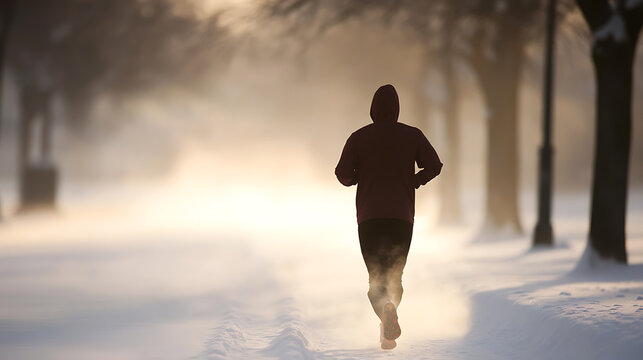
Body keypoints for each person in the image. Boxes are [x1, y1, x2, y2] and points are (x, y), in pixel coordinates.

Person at [335, 84, 442, 349]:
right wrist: (415, 181)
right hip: (401, 217)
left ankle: (385, 311)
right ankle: (388, 321)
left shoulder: (359, 137)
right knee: (395, 275)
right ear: (397, 109)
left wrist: (359, 177)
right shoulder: (412, 135)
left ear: (372, 109)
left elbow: (343, 173)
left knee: (376, 278)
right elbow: (435, 165)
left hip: (370, 218)